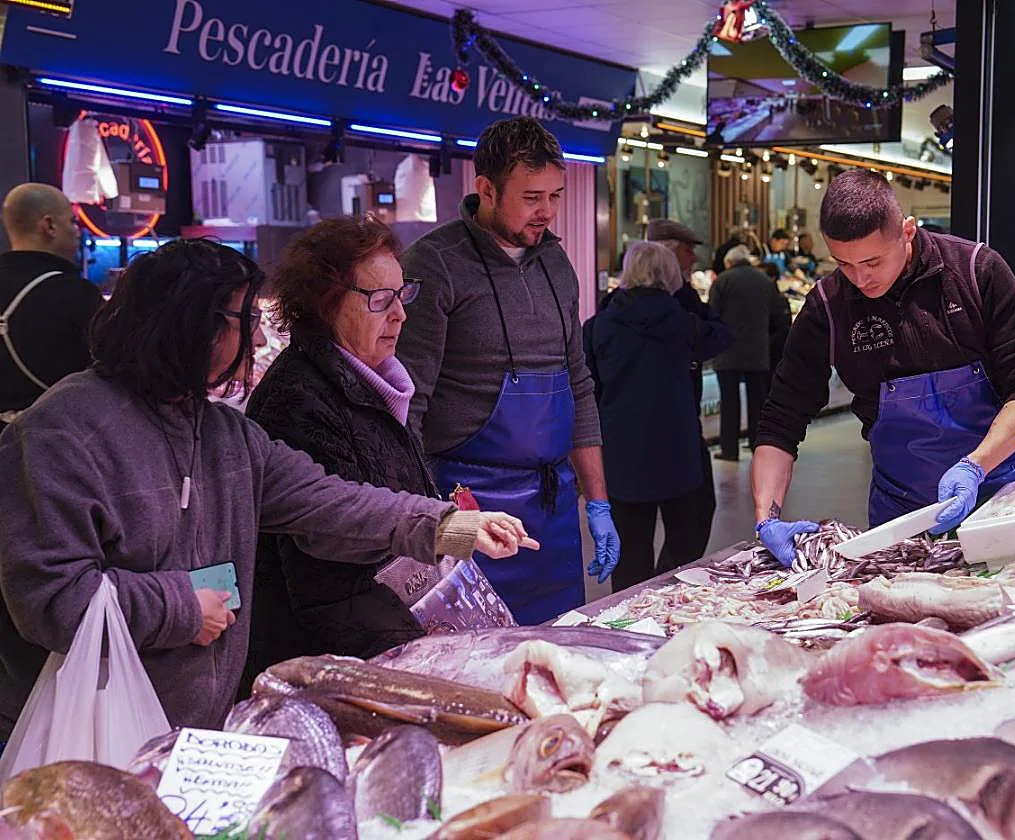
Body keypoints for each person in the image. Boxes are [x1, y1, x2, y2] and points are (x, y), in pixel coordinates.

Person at [0, 238, 536, 742]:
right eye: (247, 321)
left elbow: (328, 499)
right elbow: (50, 599)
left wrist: (445, 525)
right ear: (194, 325)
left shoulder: (224, 433)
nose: (258, 340)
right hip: (92, 730)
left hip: (200, 729)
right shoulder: (59, 433)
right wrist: (179, 605)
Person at [752, 170, 1015, 562]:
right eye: (844, 264)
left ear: (907, 231)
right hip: (902, 510)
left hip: (1005, 491)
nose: (860, 278)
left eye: (872, 261)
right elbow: (781, 419)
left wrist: (975, 467)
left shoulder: (977, 272)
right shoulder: (827, 306)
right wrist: (766, 519)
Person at [395, 117, 617, 624]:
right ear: (486, 189)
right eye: (532, 196)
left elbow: (577, 384)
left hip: (554, 507)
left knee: (559, 650)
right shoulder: (435, 265)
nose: (547, 212)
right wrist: (422, 521)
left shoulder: (556, 264)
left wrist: (598, 505)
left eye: (556, 196)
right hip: (468, 505)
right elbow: (408, 404)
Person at [242, 217, 449, 677]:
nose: (401, 315)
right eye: (380, 300)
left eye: (403, 294)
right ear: (326, 302)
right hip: (326, 668)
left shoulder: (375, 380)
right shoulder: (296, 403)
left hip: (385, 636)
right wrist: (420, 657)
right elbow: (327, 586)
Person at [583, 241, 731, 590]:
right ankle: (668, 602)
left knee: (630, 552)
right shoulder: (683, 322)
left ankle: (630, 626)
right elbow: (722, 336)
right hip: (677, 447)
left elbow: (588, 388)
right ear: (671, 275)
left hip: (621, 448)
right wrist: (689, 298)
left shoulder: (600, 325)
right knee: (687, 540)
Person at [645, 218, 732, 556]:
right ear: (665, 255)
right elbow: (719, 334)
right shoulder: (679, 307)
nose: (694, 259)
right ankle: (665, 588)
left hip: (627, 438)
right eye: (686, 251)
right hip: (678, 430)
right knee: (693, 517)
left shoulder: (609, 314)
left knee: (636, 535)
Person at [0, 183, 100, 427]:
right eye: (72, 221)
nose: (77, 231)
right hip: (58, 442)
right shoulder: (78, 295)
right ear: (49, 226)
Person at [709, 244, 776, 462]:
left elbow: (712, 315)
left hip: (728, 351)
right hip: (757, 351)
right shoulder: (764, 281)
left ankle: (729, 449)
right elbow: (776, 315)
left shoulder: (722, 281)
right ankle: (758, 445)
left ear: (729, 263)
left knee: (730, 403)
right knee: (758, 401)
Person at [761, 262, 793, 378]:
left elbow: (783, 328)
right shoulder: (778, 299)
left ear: (772, 277)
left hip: (773, 353)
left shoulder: (777, 300)